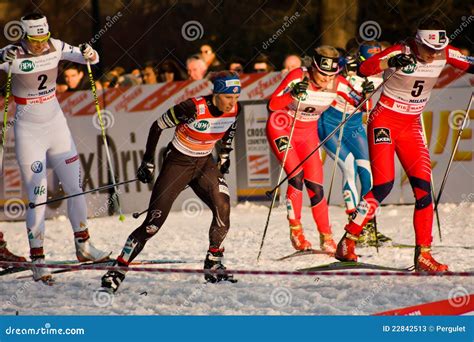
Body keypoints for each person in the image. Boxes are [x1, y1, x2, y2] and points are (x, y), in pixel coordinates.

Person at [335, 18, 473, 272]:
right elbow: (364, 68)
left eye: (437, 50)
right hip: (384, 121)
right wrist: (389, 62)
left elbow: (470, 64)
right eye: (428, 50)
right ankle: (348, 239)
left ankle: (424, 255)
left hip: (411, 125)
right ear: (417, 42)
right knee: (384, 184)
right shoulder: (401, 51)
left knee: (423, 189)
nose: (433, 56)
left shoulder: (445, 52)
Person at [100, 71, 242, 293]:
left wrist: (225, 154)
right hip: (178, 164)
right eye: (227, 97)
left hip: (205, 163)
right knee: (152, 225)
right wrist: (148, 162)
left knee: (223, 207)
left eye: (236, 97)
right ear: (216, 93)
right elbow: (157, 126)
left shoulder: (235, 109)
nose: (232, 103)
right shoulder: (191, 108)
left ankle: (213, 262)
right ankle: (117, 271)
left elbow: (229, 130)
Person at [0, 13, 110, 284]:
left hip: (57, 128)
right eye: (34, 40)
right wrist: (5, 60)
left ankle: (83, 245)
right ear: (25, 36)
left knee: (76, 186)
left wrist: (89, 51)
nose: (40, 45)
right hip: (29, 132)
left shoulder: (57, 46)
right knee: (37, 195)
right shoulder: (12, 51)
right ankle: (38, 260)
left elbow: (92, 59)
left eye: (43, 39)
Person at [266, 45, 373, 253]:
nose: (326, 80)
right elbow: (273, 104)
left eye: (331, 74)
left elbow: (361, 105)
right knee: (296, 176)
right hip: (282, 127)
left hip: (307, 133)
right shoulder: (298, 76)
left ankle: (327, 237)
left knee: (316, 186)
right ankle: (296, 230)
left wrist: (367, 95)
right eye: (322, 74)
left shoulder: (338, 83)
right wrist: (291, 95)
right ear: (313, 67)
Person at [318, 41, 392, 247]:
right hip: (331, 124)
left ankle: (366, 225)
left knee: (368, 172)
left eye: (378, 60)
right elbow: (346, 90)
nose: (375, 64)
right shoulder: (350, 74)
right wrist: (362, 92)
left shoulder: (380, 74)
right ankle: (353, 224)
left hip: (354, 125)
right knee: (349, 167)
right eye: (370, 60)